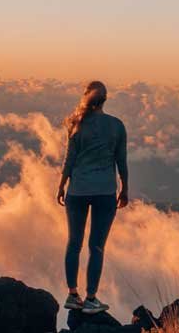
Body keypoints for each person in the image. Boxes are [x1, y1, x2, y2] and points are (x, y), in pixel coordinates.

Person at [56, 81, 129, 314]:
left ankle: (72, 295)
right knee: (96, 247)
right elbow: (121, 161)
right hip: (105, 192)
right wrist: (125, 188)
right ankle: (91, 298)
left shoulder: (75, 123)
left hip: (77, 191)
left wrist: (61, 185)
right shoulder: (117, 126)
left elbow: (70, 159)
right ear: (105, 99)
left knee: (73, 244)